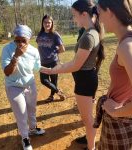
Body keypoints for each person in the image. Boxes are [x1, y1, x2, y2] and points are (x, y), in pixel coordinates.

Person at [41, 0, 105, 149]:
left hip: (85, 82)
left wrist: (52, 70)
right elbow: (78, 62)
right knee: (88, 119)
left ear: (84, 14)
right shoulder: (91, 32)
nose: (73, 19)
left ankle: (91, 147)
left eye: (74, 15)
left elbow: (76, 65)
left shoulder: (89, 35)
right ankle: (91, 143)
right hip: (86, 80)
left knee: (87, 120)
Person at [96, 0, 132, 149]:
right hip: (127, 122)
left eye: (100, 12)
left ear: (109, 12)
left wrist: (116, 112)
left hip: (121, 124)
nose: (99, 18)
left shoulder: (127, 46)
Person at [1, 24, 45, 150]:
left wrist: (50, 69)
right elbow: (7, 72)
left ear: (29, 39)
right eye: (17, 40)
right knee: (21, 113)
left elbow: (36, 68)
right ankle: (25, 138)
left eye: (23, 40)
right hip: (13, 86)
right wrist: (16, 56)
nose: (19, 43)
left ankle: (32, 128)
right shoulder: (7, 49)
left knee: (32, 109)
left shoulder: (34, 51)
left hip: (29, 84)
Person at [36, 14, 66, 103]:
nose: (47, 24)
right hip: (42, 62)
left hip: (53, 62)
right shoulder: (40, 34)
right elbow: (39, 47)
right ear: (42, 23)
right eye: (45, 22)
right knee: (44, 80)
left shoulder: (55, 35)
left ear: (52, 23)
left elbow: (62, 49)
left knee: (53, 80)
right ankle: (58, 91)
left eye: (49, 22)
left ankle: (51, 96)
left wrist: (53, 53)